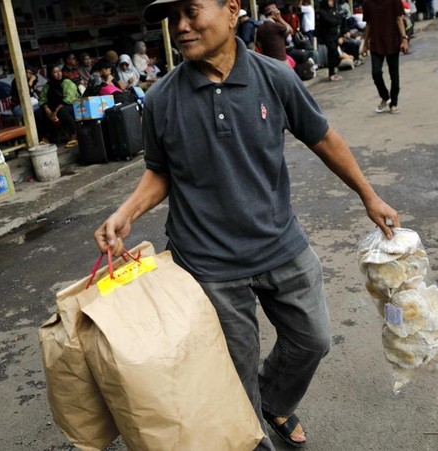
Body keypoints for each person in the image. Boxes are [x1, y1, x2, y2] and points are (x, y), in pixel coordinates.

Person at [95, 1, 400, 449]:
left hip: (281, 244)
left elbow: (322, 137)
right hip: (208, 265)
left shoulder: (275, 77)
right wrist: (125, 214)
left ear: (232, 9)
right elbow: (160, 172)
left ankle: (272, 401)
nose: (181, 27)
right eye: (173, 19)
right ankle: (252, 435)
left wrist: (368, 195)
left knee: (313, 339)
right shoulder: (160, 99)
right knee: (235, 369)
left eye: (191, 12)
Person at [362, 0, 410, 114]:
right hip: (376, 42)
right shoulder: (367, 3)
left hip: (392, 41)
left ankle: (394, 103)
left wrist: (404, 39)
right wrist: (365, 44)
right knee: (376, 73)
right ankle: (385, 96)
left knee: (394, 75)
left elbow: (399, 19)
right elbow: (369, 24)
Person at [37, 65, 78, 148]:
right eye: (55, 72)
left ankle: (73, 136)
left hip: (69, 106)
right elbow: (42, 99)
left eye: (59, 71)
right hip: (52, 108)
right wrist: (47, 109)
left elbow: (68, 99)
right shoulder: (47, 86)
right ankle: (44, 138)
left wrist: (54, 112)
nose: (58, 74)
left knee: (62, 111)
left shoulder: (67, 82)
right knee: (38, 113)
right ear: (50, 74)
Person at [257, 2, 294, 66]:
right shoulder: (277, 26)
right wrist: (280, 19)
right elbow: (291, 30)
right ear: (273, 14)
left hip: (268, 60)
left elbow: (259, 44)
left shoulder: (260, 28)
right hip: (281, 59)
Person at [317, 0, 344, 80]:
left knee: (332, 55)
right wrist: (334, 20)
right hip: (327, 36)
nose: (331, 2)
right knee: (333, 52)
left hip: (335, 35)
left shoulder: (333, 11)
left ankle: (332, 73)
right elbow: (329, 21)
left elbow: (339, 19)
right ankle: (331, 74)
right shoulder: (322, 12)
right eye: (329, 1)